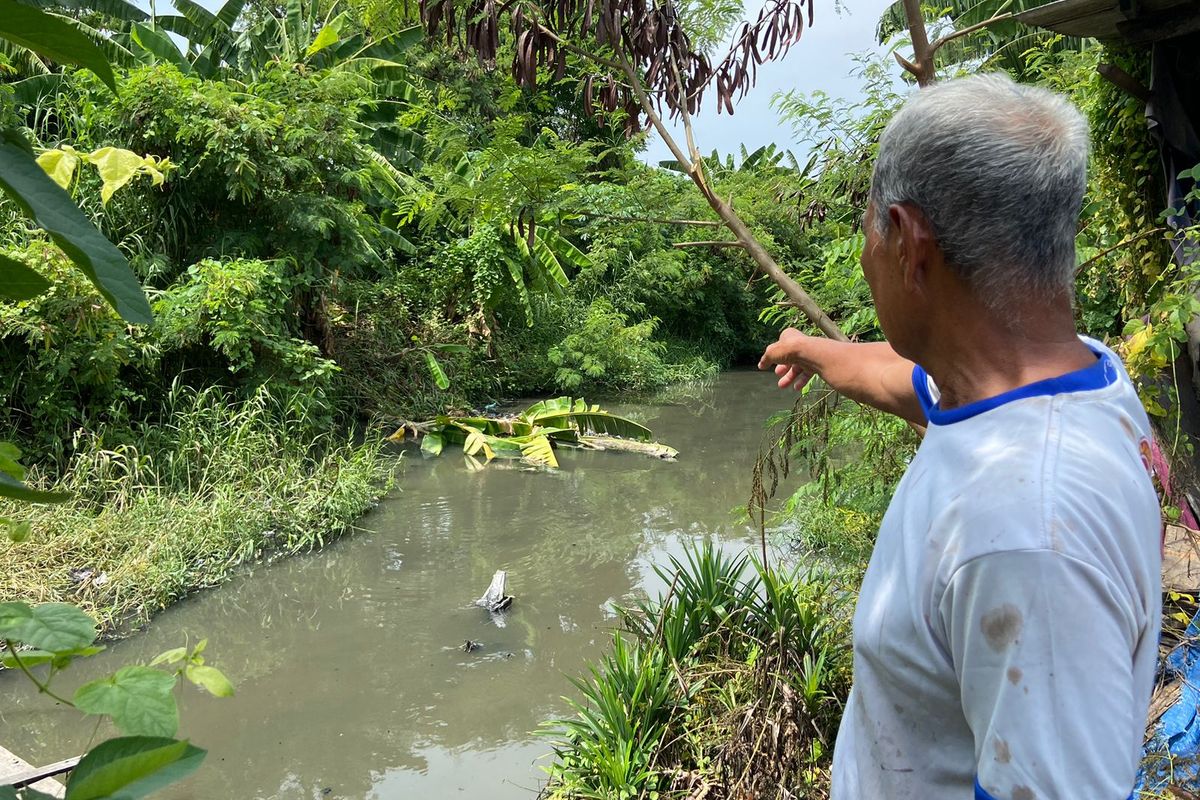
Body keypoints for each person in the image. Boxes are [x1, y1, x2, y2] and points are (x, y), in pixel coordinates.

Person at [758, 73, 1162, 800]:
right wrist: (814, 351)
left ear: (909, 242)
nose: (862, 256)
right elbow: (899, 378)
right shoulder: (1069, 376)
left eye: (866, 229)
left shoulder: (1024, 531)